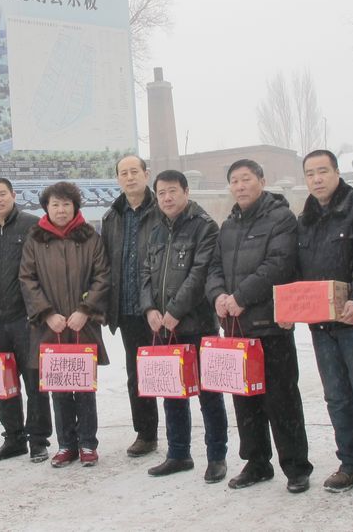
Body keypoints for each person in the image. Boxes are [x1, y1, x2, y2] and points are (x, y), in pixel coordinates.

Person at [205, 159, 314, 493]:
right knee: (245, 401)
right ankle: (256, 462)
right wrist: (218, 295)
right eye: (234, 181)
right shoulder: (228, 225)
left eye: (246, 179)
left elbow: (279, 264)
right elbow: (214, 267)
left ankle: (296, 467)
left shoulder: (280, 218)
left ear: (262, 181)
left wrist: (241, 296)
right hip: (237, 329)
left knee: (282, 400)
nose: (240, 186)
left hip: (270, 325)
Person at [290, 150, 353, 505]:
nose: (316, 179)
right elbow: (298, 269)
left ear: (336, 172)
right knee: (336, 397)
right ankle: (350, 463)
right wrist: (290, 306)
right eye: (310, 173)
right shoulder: (305, 219)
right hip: (321, 325)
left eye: (323, 171)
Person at [139, 170, 228, 483]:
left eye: (172, 191)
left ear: (186, 192)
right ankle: (178, 454)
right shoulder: (156, 231)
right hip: (164, 327)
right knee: (172, 392)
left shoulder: (205, 227)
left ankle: (216, 457)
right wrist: (149, 308)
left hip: (197, 324)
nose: (167, 198)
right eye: (161, 193)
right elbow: (145, 274)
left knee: (209, 394)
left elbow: (200, 273)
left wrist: (175, 310)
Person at [19, 182, 110, 468]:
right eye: (55, 204)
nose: (61, 210)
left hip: (83, 325)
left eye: (66, 204)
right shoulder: (35, 238)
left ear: (75, 207)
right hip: (51, 326)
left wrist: (85, 310)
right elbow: (27, 279)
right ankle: (66, 444)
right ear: (46, 208)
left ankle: (88, 443)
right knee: (58, 387)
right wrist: (47, 313)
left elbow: (102, 276)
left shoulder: (90, 237)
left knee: (84, 387)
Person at [0, 178, 51, 463]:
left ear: (13, 195)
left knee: (34, 382)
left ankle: (38, 439)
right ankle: (14, 438)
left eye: (2, 194)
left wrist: (39, 310)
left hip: (27, 320)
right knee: (4, 383)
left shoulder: (32, 225)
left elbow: (43, 270)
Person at [101, 155, 161, 457]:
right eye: (123, 173)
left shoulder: (162, 209)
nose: (129, 177)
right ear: (117, 179)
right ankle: (146, 434)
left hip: (160, 309)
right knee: (137, 375)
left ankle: (180, 437)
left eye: (134, 171)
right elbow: (104, 263)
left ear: (146, 174)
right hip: (127, 309)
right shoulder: (112, 217)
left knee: (169, 370)